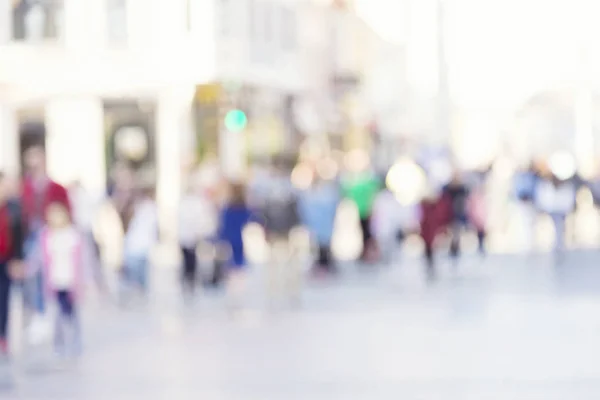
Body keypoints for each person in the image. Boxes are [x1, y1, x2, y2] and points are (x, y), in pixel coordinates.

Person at [21, 145, 71, 314]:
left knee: (54, 275)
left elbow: (67, 211)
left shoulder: (56, 188)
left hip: (52, 235)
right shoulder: (25, 187)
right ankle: (37, 310)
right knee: (31, 275)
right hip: (31, 235)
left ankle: (56, 309)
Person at [38, 202, 84, 358]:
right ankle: (59, 345)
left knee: (72, 314)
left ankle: (76, 343)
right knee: (57, 315)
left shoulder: (72, 235)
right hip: (55, 280)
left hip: (70, 280)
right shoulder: (47, 235)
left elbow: (83, 261)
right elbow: (40, 259)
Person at [261, 159, 303, 307]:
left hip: (282, 231)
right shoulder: (290, 190)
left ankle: (282, 292)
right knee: (282, 264)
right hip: (282, 230)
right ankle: (284, 292)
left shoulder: (274, 191)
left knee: (280, 264)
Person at [217, 183, 255, 312]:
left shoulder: (227, 208)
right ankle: (237, 296)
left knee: (231, 269)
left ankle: (233, 296)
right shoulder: (244, 208)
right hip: (239, 240)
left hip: (231, 240)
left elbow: (222, 226)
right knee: (239, 269)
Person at [0, 172, 25, 357]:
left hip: (6, 259)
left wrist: (17, 259)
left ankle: (3, 336)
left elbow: (18, 234)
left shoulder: (13, 207)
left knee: (4, 299)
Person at [178, 183, 217, 296]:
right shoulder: (193, 204)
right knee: (190, 261)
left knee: (188, 261)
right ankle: (189, 281)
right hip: (189, 237)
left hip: (188, 237)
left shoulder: (188, 204)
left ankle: (189, 281)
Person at [121, 185, 158, 299]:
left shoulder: (145, 207)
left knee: (138, 270)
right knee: (137, 270)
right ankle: (138, 290)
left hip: (138, 244)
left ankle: (139, 290)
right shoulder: (141, 207)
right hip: (137, 243)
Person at [299, 176, 340, 275]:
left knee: (324, 246)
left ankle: (325, 264)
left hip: (322, 226)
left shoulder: (325, 195)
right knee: (318, 246)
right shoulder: (313, 196)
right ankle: (322, 264)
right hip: (318, 226)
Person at [419, 188, 451, 279]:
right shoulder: (424, 206)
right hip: (427, 233)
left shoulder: (440, 205)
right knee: (429, 252)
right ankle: (430, 268)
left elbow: (444, 217)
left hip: (437, 232)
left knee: (438, 251)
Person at [442, 171, 469, 263]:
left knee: (456, 233)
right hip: (449, 213)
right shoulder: (447, 188)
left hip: (458, 213)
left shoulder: (462, 188)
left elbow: (466, 201)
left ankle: (455, 251)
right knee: (452, 233)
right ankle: (453, 250)